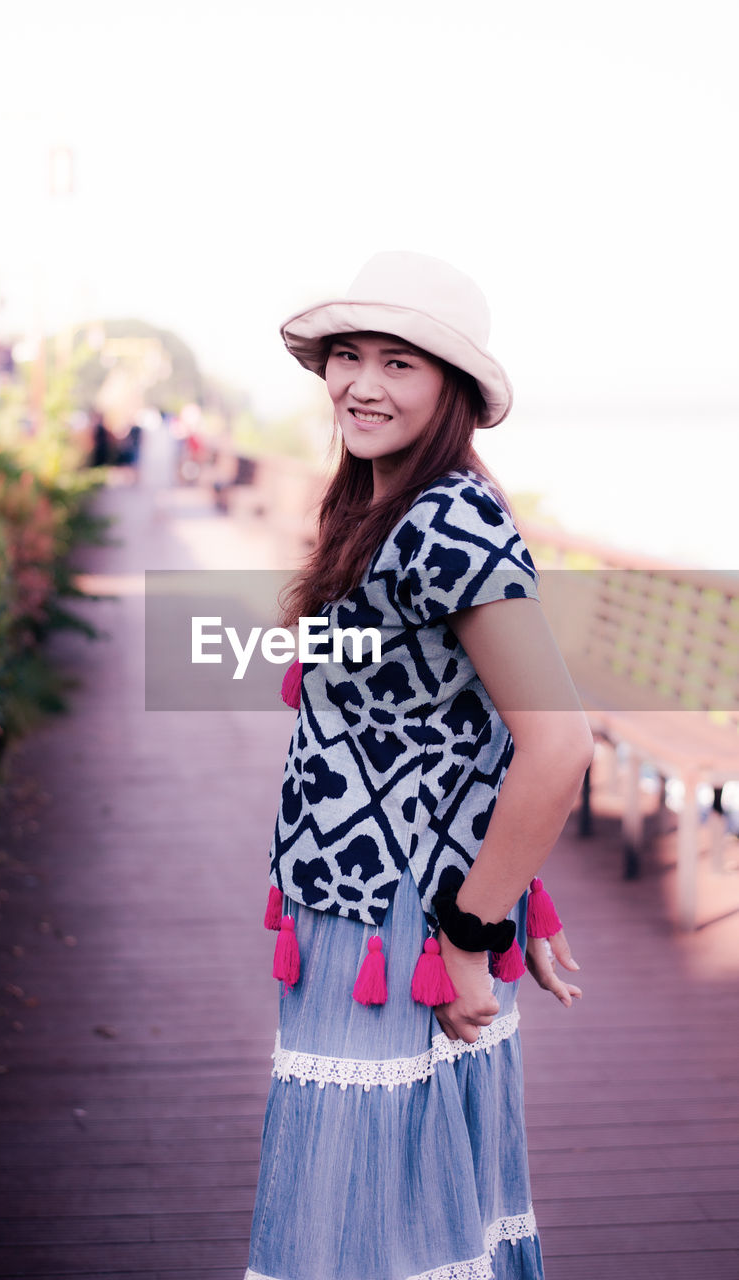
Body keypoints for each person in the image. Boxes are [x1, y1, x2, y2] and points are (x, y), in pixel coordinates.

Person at [246, 252, 594, 1280]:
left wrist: (476, 927)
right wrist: (516, 888)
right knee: (397, 1212)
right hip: (358, 898)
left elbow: (557, 741)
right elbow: (452, 723)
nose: (360, 382)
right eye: (347, 356)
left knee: (369, 1224)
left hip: (400, 919)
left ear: (450, 391)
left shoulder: (446, 520)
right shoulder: (376, 505)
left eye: (398, 362)